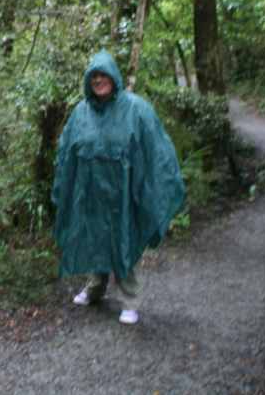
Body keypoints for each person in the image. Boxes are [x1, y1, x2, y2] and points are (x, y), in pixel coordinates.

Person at [51, 50, 186, 325]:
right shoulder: (80, 113)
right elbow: (67, 152)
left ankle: (130, 300)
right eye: (94, 76)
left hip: (124, 194)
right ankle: (95, 288)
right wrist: (65, 185)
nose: (99, 80)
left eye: (104, 75)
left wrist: (153, 186)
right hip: (91, 194)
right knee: (94, 239)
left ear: (114, 77)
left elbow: (157, 149)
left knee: (125, 241)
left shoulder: (136, 109)